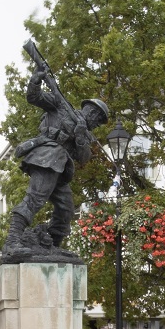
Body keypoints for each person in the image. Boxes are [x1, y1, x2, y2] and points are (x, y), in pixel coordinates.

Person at [7, 63, 110, 258]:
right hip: (46, 158)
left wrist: (80, 137)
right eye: (97, 120)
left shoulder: (85, 133)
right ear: (92, 113)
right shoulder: (60, 106)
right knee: (34, 199)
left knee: (66, 210)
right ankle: (12, 242)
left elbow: (83, 158)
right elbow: (34, 97)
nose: (96, 124)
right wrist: (37, 79)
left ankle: (51, 246)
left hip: (60, 171)